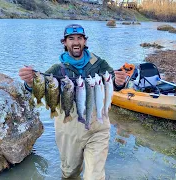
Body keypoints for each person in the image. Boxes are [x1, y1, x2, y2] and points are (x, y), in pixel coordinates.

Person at [19, 24, 127, 179]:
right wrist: (30, 82)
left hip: (98, 126)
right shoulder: (57, 70)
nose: (76, 42)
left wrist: (120, 81)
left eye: (79, 38)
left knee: (94, 176)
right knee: (70, 173)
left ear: (85, 41)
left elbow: (114, 84)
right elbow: (39, 89)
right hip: (68, 128)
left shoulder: (99, 64)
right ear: (64, 43)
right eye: (71, 39)